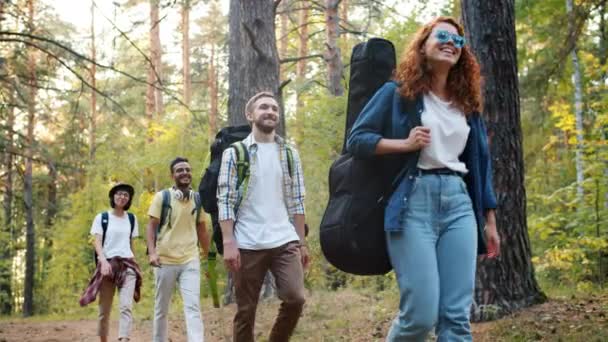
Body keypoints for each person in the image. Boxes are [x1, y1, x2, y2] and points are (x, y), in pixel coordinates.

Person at [347, 17, 501, 341]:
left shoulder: (468, 105)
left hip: (459, 204)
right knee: (420, 315)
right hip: (412, 202)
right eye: (442, 36)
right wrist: (404, 143)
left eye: (458, 40)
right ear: (423, 45)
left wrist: (490, 221)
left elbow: (481, 164)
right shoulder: (398, 92)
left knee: (456, 317)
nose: (451, 43)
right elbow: (357, 139)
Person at [217, 91, 310, 342]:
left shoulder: (290, 153)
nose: (270, 112)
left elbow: (298, 201)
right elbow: (224, 200)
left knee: (296, 297)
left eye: (274, 108)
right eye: (263, 107)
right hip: (247, 242)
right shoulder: (235, 153)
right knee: (246, 311)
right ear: (250, 115)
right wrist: (229, 242)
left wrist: (301, 242)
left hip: (284, 239)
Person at [146, 157, 210, 342]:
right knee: (162, 308)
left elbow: (202, 230)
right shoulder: (162, 197)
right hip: (164, 260)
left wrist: (209, 260)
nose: (184, 173)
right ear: (172, 175)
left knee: (193, 307)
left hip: (190, 259)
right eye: (180, 170)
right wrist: (152, 252)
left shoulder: (197, 199)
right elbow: (151, 226)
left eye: (187, 169)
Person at [79, 182, 143, 342]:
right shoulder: (102, 218)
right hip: (107, 266)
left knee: (126, 307)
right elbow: (96, 241)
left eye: (126, 195)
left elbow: (131, 244)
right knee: (104, 310)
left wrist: (135, 264)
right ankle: (103, 339)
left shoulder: (132, 219)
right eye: (119, 194)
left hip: (127, 266)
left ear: (129, 199)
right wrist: (103, 262)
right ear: (113, 196)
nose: (122, 197)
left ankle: (124, 339)